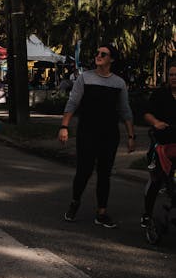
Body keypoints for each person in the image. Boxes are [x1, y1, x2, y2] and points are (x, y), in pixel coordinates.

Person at [58, 44, 135, 228]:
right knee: (84, 171)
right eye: (97, 53)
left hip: (109, 135)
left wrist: (131, 136)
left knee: (104, 174)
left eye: (103, 54)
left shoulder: (118, 83)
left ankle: (101, 212)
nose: (98, 56)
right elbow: (72, 103)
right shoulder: (85, 78)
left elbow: (125, 110)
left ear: (111, 59)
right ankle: (75, 201)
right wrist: (64, 126)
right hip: (87, 133)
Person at [141, 62, 176, 228]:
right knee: (156, 180)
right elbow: (146, 113)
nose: (174, 78)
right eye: (171, 75)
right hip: (161, 144)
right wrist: (156, 122)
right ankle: (147, 215)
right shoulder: (160, 94)